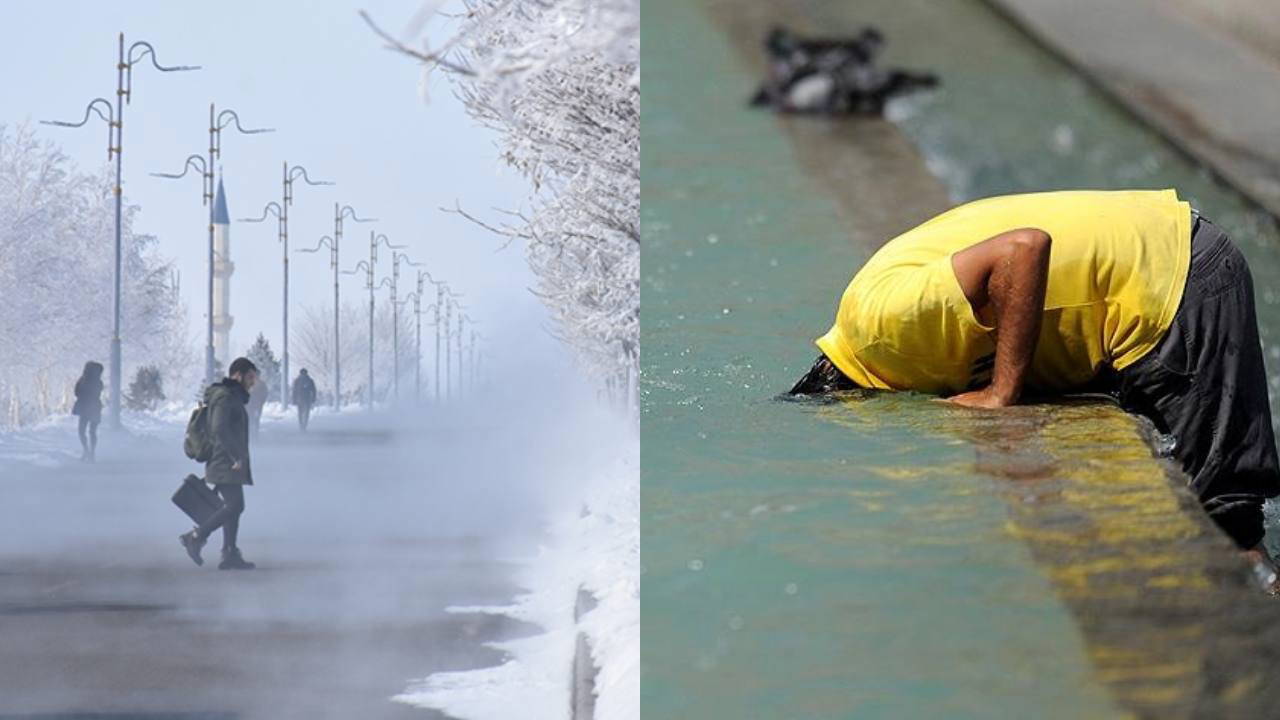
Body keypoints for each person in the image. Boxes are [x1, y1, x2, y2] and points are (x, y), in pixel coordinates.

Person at [792, 189, 1280, 568]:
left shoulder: (884, 328)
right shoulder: (876, 333)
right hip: (1152, 266)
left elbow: (1023, 248)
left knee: (1227, 526)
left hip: (1172, 279)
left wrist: (1001, 392)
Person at [179, 357, 258, 570]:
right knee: (234, 505)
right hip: (224, 461)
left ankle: (229, 552)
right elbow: (219, 429)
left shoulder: (232, 397)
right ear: (238, 375)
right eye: (250, 377)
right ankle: (195, 537)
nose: (253, 382)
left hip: (228, 460)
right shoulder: (224, 397)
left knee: (234, 506)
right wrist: (235, 456)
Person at [71, 361, 104, 462]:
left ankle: (86, 450)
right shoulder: (98, 381)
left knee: (81, 431)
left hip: (84, 407)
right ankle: (92, 453)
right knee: (92, 432)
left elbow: (76, 392)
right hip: (95, 407)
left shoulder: (82, 380)